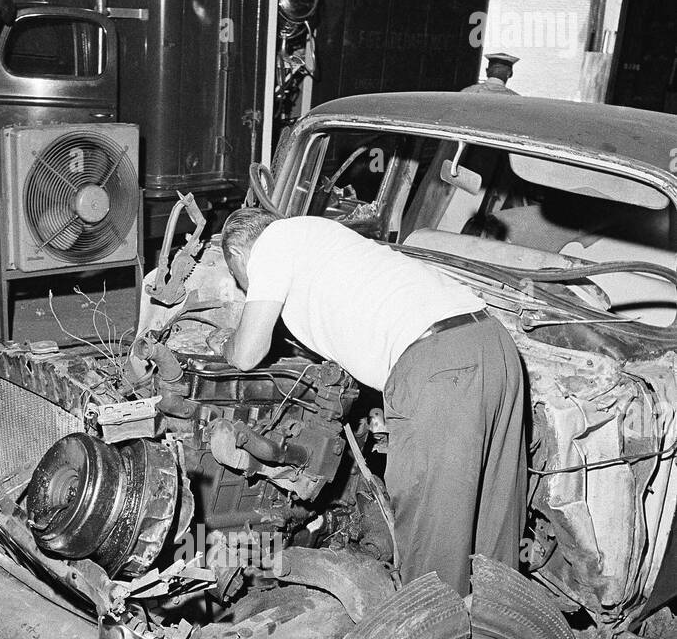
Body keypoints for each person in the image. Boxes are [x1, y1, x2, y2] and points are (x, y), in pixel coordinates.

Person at [216, 210, 526, 598]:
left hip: (437, 365)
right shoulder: (320, 234)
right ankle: (505, 632)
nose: (246, 289)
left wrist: (224, 343)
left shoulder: (273, 243)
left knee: (432, 547)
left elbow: (247, 353)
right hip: (492, 343)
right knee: (494, 531)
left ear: (237, 256)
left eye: (240, 280)